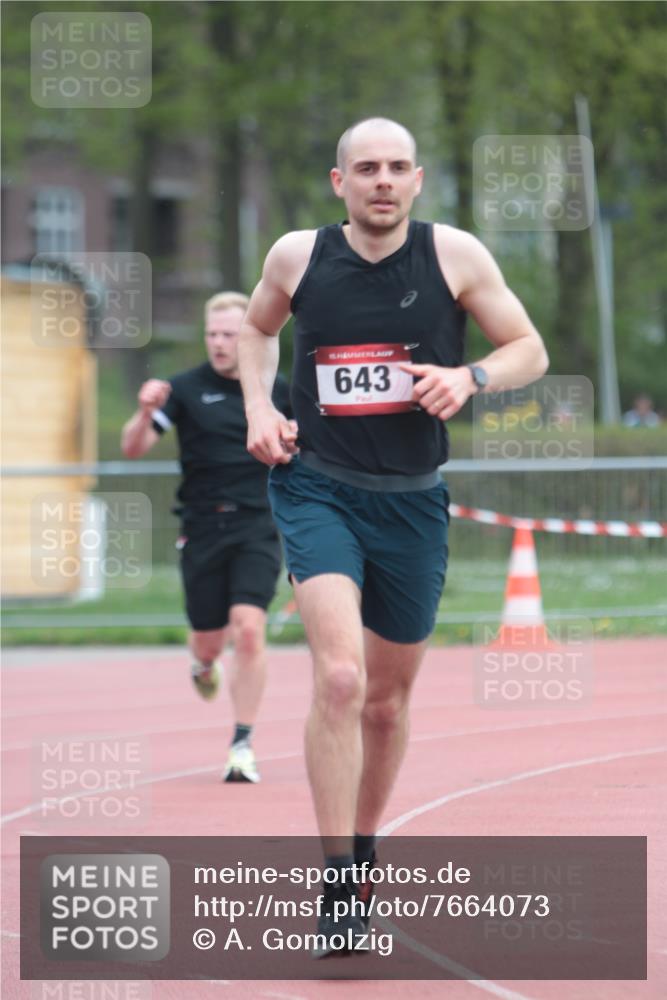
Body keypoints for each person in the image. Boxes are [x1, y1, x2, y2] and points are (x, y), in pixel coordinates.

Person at [238, 117, 548, 952]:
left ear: (419, 180)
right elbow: (257, 331)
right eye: (365, 167)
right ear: (338, 182)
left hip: (411, 501)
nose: (382, 179)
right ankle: (337, 882)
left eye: (397, 167)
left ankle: (365, 846)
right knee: (340, 678)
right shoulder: (296, 256)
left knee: (385, 701)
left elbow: (529, 348)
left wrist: (470, 375)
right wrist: (261, 408)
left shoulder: (456, 257)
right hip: (317, 490)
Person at [121, 291, 292, 784]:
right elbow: (135, 447)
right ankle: (202, 665)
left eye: (230, 334)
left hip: (258, 523)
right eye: (212, 334)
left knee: (250, 629)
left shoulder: (275, 389)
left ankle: (242, 743)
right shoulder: (183, 389)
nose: (219, 343)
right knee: (209, 643)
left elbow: (310, 445)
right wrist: (141, 410)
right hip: (201, 527)